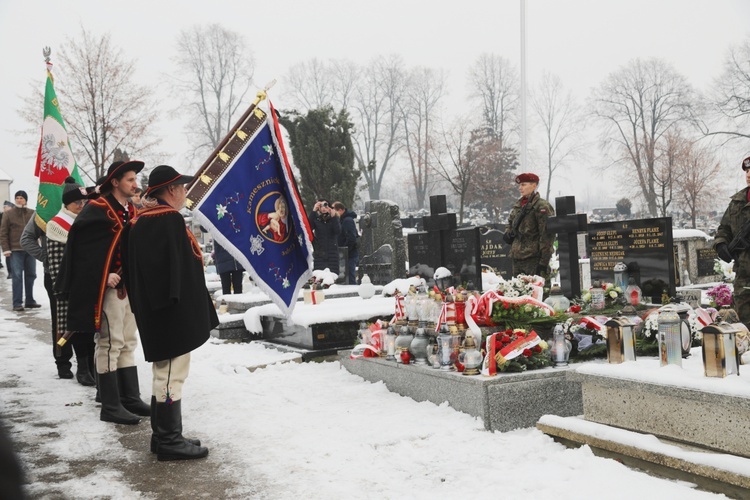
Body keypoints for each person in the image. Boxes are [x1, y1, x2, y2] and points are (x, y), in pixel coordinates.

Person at [124, 164, 217, 461]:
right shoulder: (167, 220)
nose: (186, 192)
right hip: (169, 315)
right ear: (172, 190)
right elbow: (172, 275)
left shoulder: (143, 220)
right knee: (169, 375)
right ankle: (168, 439)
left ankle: (162, 435)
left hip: (159, 313)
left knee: (165, 374)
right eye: (183, 187)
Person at [56, 160, 150, 425]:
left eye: (135, 179)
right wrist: (103, 273)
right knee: (110, 343)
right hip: (105, 288)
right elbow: (81, 251)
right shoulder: (97, 209)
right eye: (130, 179)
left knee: (128, 341)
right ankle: (109, 405)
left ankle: (129, 397)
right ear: (115, 182)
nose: (135, 184)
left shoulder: (130, 209)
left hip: (127, 287)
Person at [45, 177, 97, 386]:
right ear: (67, 203)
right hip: (69, 285)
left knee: (91, 327)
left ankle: (91, 367)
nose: (81, 206)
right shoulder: (56, 225)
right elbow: (57, 262)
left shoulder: (84, 220)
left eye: (83, 203)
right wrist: (64, 289)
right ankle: (80, 367)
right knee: (73, 327)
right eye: (77, 203)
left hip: (89, 282)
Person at [715, 155, 750, 326]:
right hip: (743, 273)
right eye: (747, 171)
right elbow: (724, 228)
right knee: (743, 321)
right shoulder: (737, 202)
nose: (749, 174)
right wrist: (721, 244)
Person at [503, 173, 555, 278]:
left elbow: (547, 236)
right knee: (518, 292)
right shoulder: (518, 205)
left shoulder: (541, 206)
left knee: (537, 292)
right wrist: (508, 233)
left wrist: (543, 262)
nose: (520, 188)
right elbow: (510, 222)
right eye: (520, 185)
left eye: (523, 185)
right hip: (517, 258)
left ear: (534, 185)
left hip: (533, 259)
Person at [0, 190, 39, 311]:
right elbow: (3, 233)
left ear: (26, 200)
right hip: (15, 249)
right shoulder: (9, 214)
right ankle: (17, 303)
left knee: (31, 275)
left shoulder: (33, 213)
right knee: (17, 276)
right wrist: (6, 249)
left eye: (21, 198)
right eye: (17, 197)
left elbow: (38, 230)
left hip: (31, 249)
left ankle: (30, 301)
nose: (19, 200)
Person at [309, 199, 340, 274]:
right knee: (319, 278)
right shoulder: (316, 219)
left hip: (332, 253)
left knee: (332, 278)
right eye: (321, 206)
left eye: (325, 206)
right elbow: (309, 228)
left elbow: (337, 231)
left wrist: (333, 217)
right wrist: (313, 211)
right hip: (320, 253)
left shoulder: (334, 219)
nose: (323, 208)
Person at [332, 201, 359, 285]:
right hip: (345, 254)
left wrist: (344, 251)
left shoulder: (347, 220)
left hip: (349, 254)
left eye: (334, 209)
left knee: (350, 277)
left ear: (340, 210)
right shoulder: (342, 220)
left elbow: (351, 238)